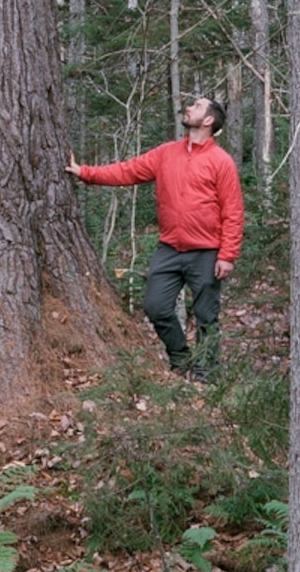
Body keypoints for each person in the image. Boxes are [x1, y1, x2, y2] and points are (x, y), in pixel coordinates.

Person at [68, 95, 243, 378]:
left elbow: (233, 211)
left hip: (207, 252)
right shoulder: (166, 153)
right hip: (170, 249)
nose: (188, 107)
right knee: (155, 306)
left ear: (209, 120)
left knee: (206, 317)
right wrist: (85, 173)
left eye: (196, 106)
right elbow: (128, 170)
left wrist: (227, 255)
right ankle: (181, 359)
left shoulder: (220, 161)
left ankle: (206, 378)